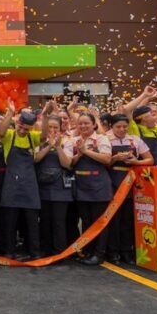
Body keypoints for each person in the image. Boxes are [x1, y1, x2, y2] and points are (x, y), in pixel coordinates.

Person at [105, 113, 153, 264]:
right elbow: (103, 162)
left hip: (131, 182)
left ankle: (127, 251)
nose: (121, 129)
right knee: (113, 219)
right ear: (111, 126)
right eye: (118, 127)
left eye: (124, 127)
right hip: (111, 181)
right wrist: (114, 158)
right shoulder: (104, 139)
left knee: (128, 219)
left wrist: (136, 161)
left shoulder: (135, 140)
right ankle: (112, 252)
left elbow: (150, 159)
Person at [67, 112, 113, 266]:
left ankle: (99, 254)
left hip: (99, 185)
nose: (83, 126)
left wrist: (86, 151)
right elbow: (69, 163)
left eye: (87, 123)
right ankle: (87, 250)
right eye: (80, 124)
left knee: (98, 221)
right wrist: (79, 154)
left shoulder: (101, 139)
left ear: (94, 125)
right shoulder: (73, 140)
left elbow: (107, 159)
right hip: (80, 185)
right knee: (86, 221)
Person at [0, 109, 42, 260]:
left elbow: (45, 136)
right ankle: (9, 251)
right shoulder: (10, 135)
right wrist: (9, 114)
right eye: (20, 127)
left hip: (29, 185)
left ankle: (34, 251)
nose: (22, 131)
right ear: (17, 123)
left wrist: (46, 115)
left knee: (32, 222)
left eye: (26, 129)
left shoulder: (33, 137)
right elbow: (0, 132)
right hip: (11, 184)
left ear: (32, 128)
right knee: (10, 220)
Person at [34, 115, 75, 256]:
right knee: (44, 220)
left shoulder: (67, 142)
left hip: (61, 187)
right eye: (49, 127)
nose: (52, 130)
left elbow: (67, 164)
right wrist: (48, 146)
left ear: (60, 128)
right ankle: (45, 250)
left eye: (55, 127)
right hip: (43, 186)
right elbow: (36, 159)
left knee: (59, 221)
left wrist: (57, 147)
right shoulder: (39, 141)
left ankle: (60, 252)